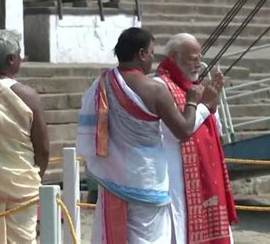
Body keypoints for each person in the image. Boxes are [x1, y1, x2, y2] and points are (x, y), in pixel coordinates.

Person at [76, 27, 222, 243]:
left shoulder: (101, 84)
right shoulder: (155, 90)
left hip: (113, 179)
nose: (153, 59)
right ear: (142, 53)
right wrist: (195, 101)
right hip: (147, 181)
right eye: (152, 53)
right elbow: (183, 130)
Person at [155, 33, 238, 244]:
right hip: (178, 176)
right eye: (192, 58)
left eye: (199, 58)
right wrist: (203, 105)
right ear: (174, 57)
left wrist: (213, 103)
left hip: (209, 171)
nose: (198, 64)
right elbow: (177, 131)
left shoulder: (196, 86)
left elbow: (215, 130)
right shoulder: (160, 86)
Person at [0, 29, 49, 243]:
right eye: (20, 55)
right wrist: (33, 178)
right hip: (20, 189)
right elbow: (42, 149)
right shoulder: (28, 96)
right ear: (12, 59)